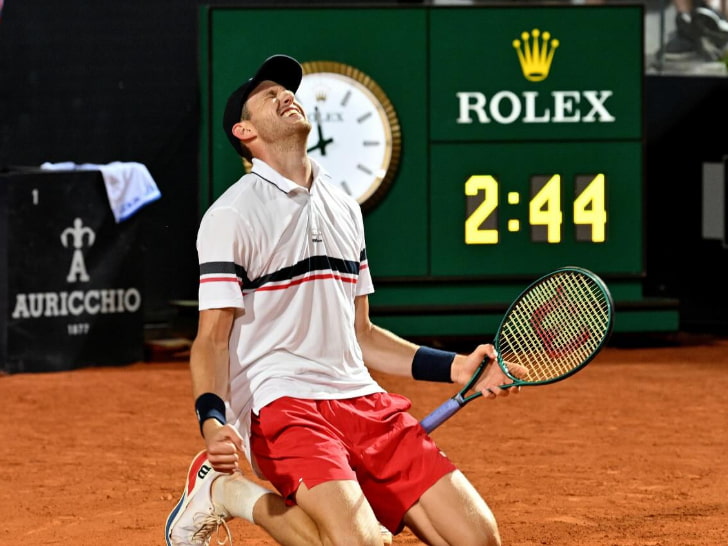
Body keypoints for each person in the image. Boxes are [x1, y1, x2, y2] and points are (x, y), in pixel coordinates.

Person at [164, 54, 529, 546]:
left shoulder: (344, 206)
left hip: (362, 399)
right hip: (283, 406)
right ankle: (230, 494)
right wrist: (211, 419)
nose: (285, 96)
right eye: (269, 96)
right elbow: (211, 339)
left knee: (479, 539)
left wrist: (458, 367)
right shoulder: (231, 215)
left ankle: (236, 497)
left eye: (287, 90)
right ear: (245, 132)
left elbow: (363, 335)